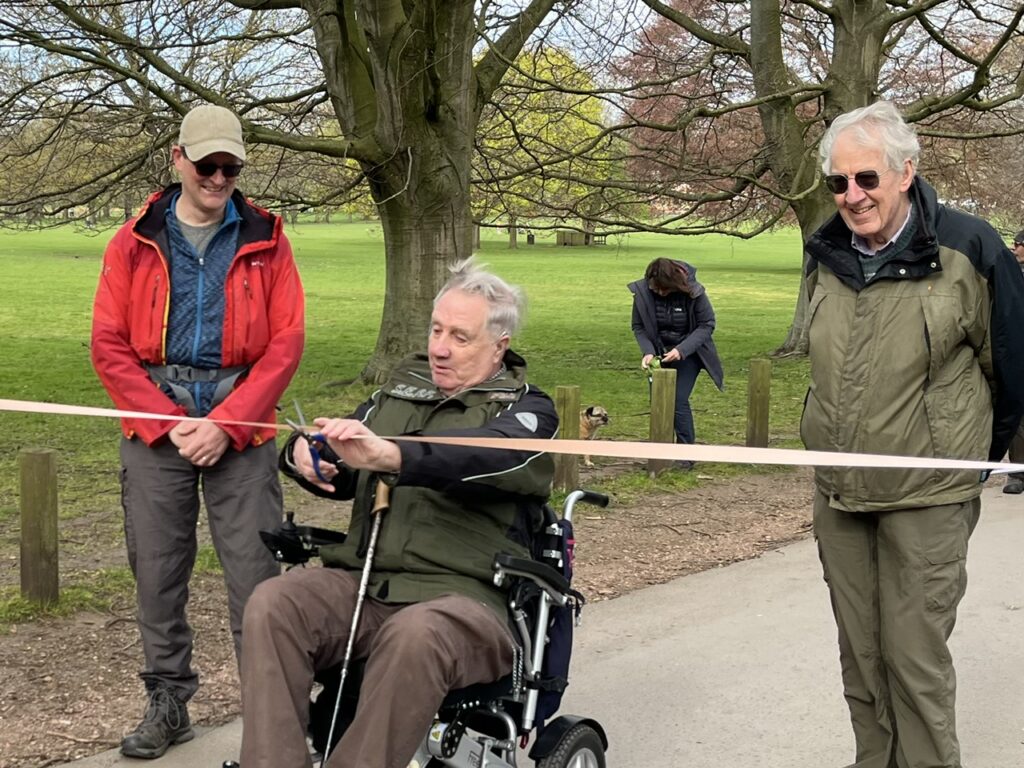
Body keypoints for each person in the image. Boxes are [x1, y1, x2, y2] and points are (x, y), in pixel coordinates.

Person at [236, 258, 557, 768]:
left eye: (459, 336)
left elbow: (487, 455)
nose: (439, 347)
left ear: (498, 345)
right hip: (365, 581)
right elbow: (343, 465)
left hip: (465, 600)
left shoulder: (527, 411)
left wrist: (395, 456)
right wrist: (307, 457)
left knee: (415, 635)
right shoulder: (394, 393)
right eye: (435, 329)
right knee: (275, 603)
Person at [801, 100, 1024, 768]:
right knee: (861, 660)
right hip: (841, 494)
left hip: (929, 494)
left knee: (913, 658)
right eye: (838, 183)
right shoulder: (824, 251)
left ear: (905, 172)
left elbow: (1011, 368)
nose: (852, 195)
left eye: (866, 178)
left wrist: (969, 461)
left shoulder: (970, 248)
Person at [90, 104, 305, 758]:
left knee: (257, 579)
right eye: (206, 163)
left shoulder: (268, 236)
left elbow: (287, 341)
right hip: (158, 427)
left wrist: (229, 424)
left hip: (240, 428)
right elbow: (107, 344)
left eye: (229, 166)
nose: (217, 177)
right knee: (157, 572)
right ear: (178, 158)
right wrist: (170, 422)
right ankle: (168, 702)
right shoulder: (132, 240)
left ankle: (269, 724)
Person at [628, 257, 724, 467]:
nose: (661, 293)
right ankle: (660, 454)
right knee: (659, 401)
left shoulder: (695, 292)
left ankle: (685, 455)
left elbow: (707, 324)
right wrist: (648, 352)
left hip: (690, 354)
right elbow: (638, 326)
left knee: (678, 400)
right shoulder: (642, 293)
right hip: (659, 354)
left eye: (665, 289)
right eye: (657, 289)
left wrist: (681, 350)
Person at [1003, 229, 1024, 494]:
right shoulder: (1011, 274)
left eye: (1018, 244)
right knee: (1018, 415)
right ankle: (1018, 473)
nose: (1015, 248)